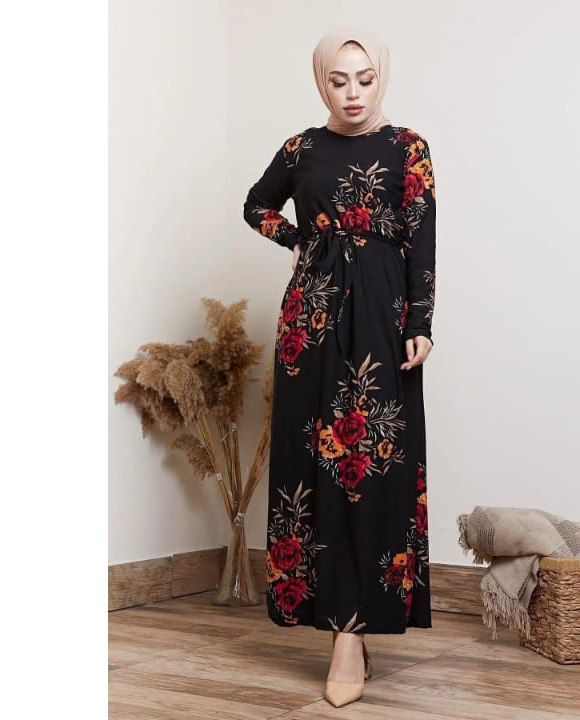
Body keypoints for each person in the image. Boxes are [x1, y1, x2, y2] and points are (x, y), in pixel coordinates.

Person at [243, 28, 436, 708]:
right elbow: (255, 205)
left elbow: (421, 237)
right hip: (312, 317)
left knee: (375, 465)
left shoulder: (408, 147)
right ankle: (341, 633)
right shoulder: (301, 149)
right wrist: (303, 240)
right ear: (320, 81)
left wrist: (420, 322)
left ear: (381, 77)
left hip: (383, 314)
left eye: (365, 78)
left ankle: (357, 627)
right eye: (338, 79)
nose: (353, 92)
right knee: (314, 464)